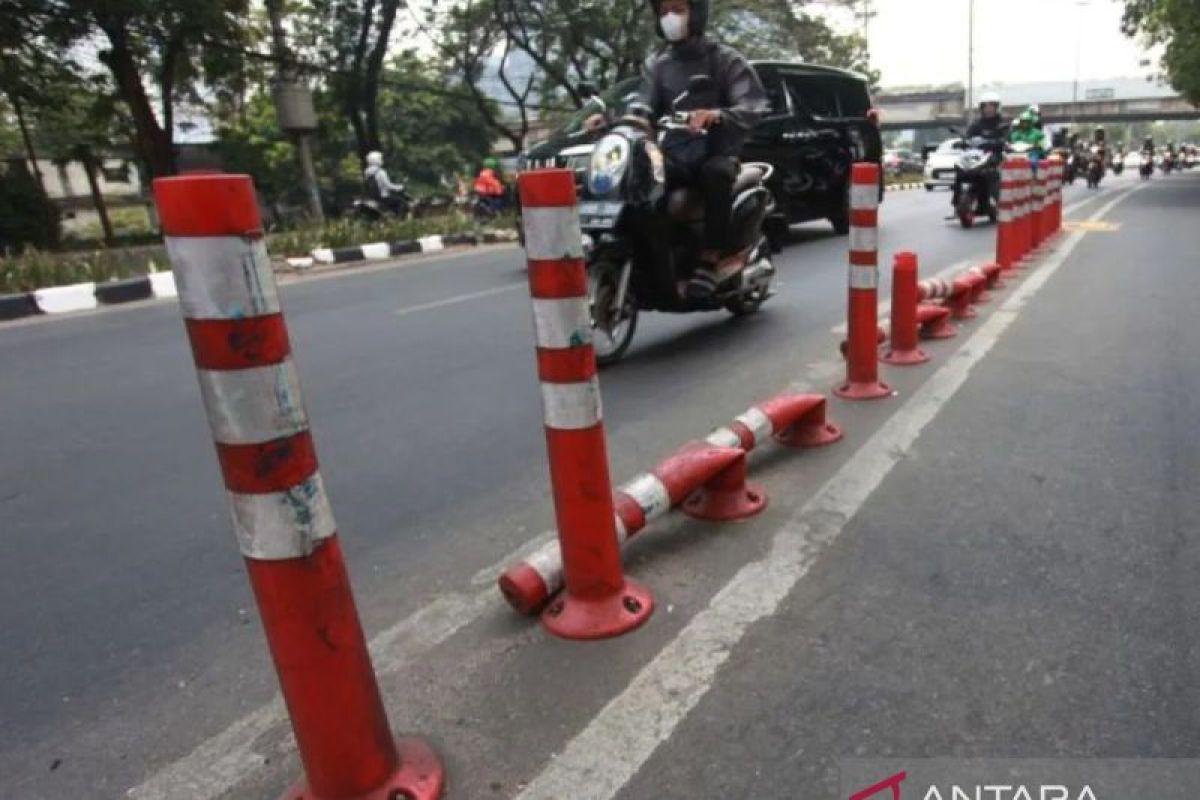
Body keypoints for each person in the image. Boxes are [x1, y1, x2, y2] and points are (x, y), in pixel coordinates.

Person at [640, 0, 767, 298]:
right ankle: (655, 253)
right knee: (644, 174)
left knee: (716, 173)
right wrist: (613, 119)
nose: (670, 17)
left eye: (678, 9)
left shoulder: (725, 59)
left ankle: (710, 260)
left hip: (716, 151)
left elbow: (752, 104)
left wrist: (718, 115)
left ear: (696, 13)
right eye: (663, 11)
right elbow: (642, 102)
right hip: (675, 152)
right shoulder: (659, 65)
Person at [363, 151, 408, 215]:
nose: (381, 160)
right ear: (377, 160)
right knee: (401, 203)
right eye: (380, 158)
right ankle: (398, 221)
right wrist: (401, 187)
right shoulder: (381, 172)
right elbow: (388, 186)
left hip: (372, 198)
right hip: (383, 197)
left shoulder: (366, 172)